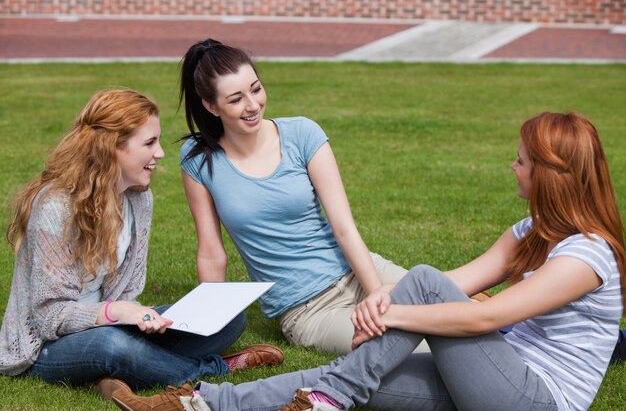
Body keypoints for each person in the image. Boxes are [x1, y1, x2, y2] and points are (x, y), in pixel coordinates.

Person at [112, 111, 625, 411]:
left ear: (549, 175)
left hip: (535, 399)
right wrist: (385, 305)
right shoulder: (531, 233)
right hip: (490, 377)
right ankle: (200, 402)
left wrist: (386, 312)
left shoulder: (588, 254)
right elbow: (459, 282)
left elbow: (486, 315)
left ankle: (332, 398)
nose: (512, 167)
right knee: (357, 371)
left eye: (521, 161)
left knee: (416, 285)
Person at [0, 89, 283, 400]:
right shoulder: (56, 207)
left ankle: (120, 373)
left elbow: (127, 294)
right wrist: (117, 312)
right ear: (112, 149)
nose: (160, 153)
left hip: (113, 324)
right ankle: (212, 372)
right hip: (46, 346)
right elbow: (49, 317)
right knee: (113, 345)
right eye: (149, 143)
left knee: (228, 318)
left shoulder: (138, 198)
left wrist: (138, 315)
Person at [177, 38, 436, 355]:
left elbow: (344, 228)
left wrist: (377, 295)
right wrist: (211, 327)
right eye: (236, 99)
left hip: (360, 271)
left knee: (454, 310)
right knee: (415, 348)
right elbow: (211, 252)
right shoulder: (198, 159)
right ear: (211, 106)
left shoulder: (302, 134)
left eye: (256, 89)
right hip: (308, 309)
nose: (253, 105)